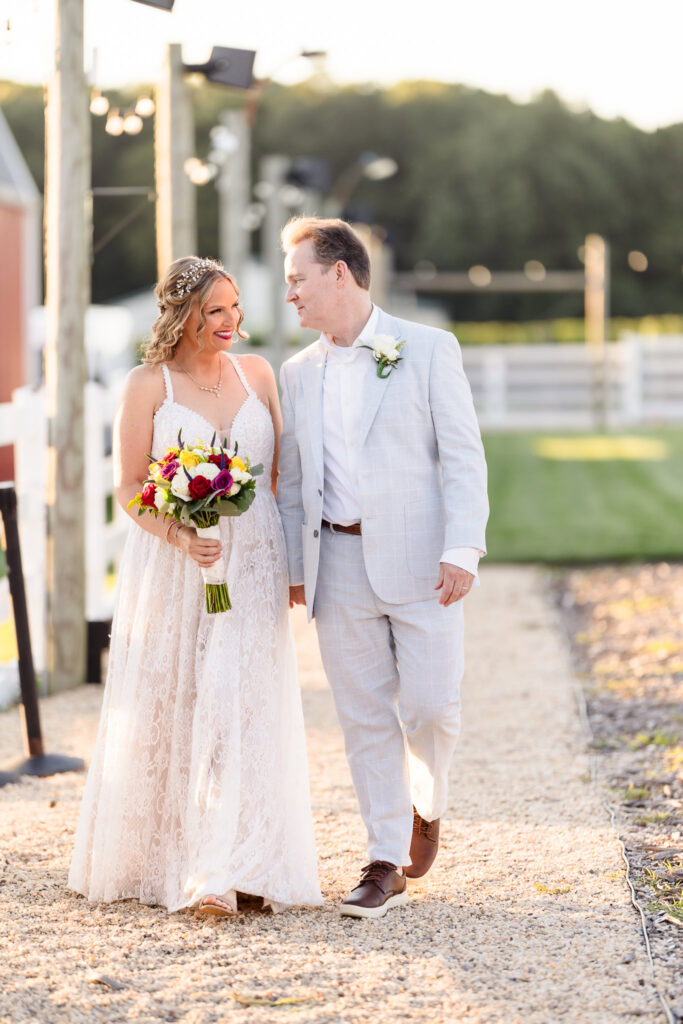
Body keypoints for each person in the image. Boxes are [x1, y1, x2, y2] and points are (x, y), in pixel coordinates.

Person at [69, 256, 322, 916]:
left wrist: (293, 567)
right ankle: (196, 865)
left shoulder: (258, 373)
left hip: (254, 560)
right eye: (215, 311)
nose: (230, 322)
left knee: (245, 700)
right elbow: (128, 485)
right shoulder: (148, 384)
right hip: (180, 564)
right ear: (183, 317)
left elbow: (282, 480)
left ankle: (248, 859)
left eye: (235, 308)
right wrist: (183, 535)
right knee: (182, 698)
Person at [277, 218, 488, 919]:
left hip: (424, 563)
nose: (290, 295)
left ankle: (428, 804)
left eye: (297, 278)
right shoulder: (296, 372)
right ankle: (383, 858)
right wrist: (293, 566)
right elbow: (293, 481)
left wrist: (461, 549)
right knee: (363, 717)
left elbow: (462, 457)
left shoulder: (425, 349)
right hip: (334, 564)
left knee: (431, 707)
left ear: (340, 273)